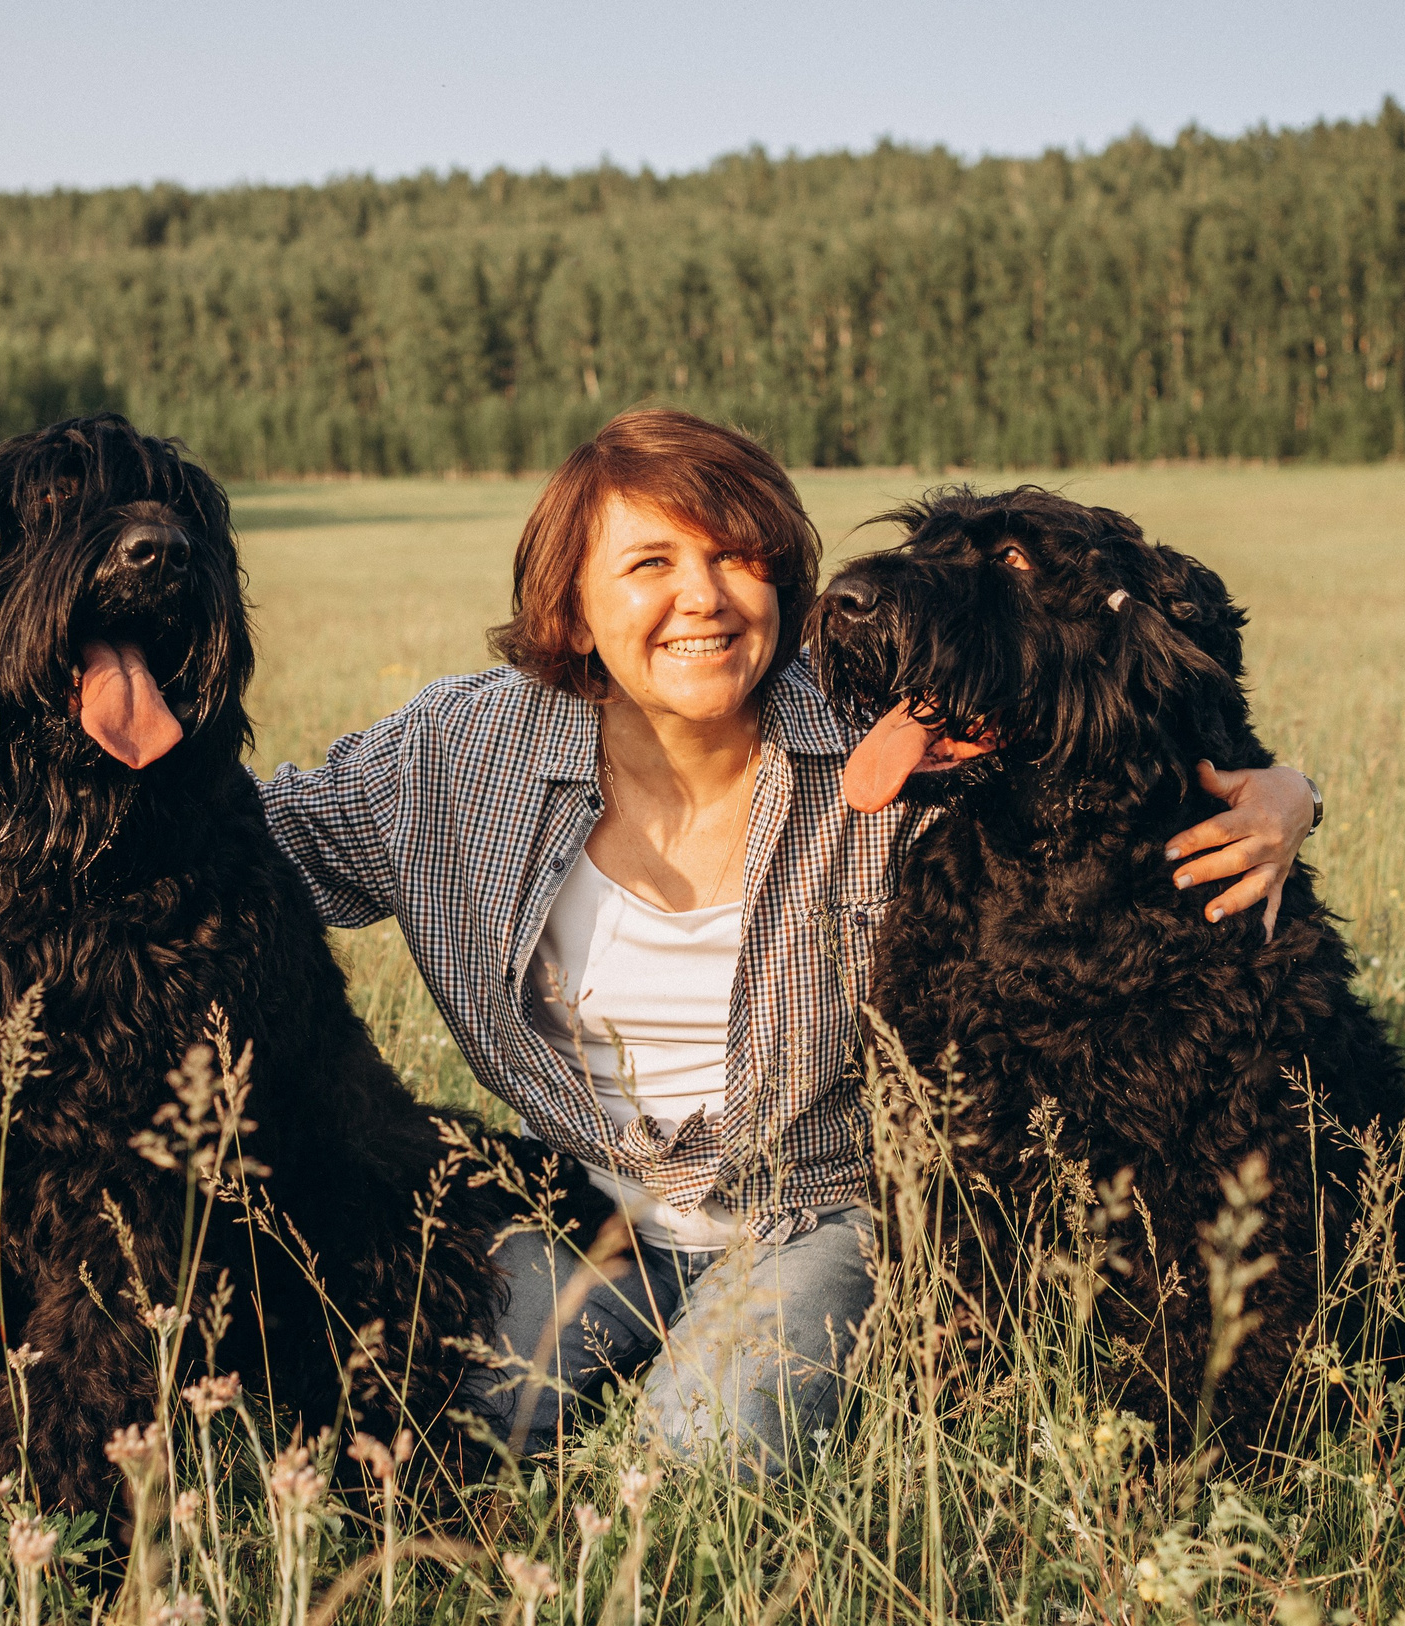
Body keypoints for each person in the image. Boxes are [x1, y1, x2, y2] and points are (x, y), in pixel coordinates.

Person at [256, 409, 1318, 1478]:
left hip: (823, 1217)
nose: (702, 599)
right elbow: (247, 845)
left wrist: (1286, 796)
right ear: (573, 608)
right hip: (586, 1210)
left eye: (736, 558)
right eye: (649, 564)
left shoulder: (900, 748)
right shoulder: (456, 754)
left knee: (700, 1459)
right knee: (405, 1426)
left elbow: (1113, 754)